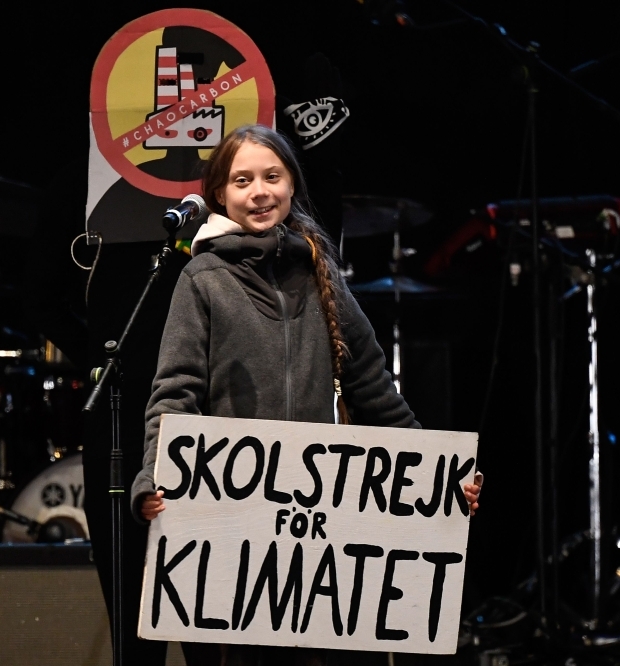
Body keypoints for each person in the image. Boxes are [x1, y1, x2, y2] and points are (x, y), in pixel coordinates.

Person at [130, 124, 482, 664]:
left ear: (293, 183)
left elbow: (375, 391)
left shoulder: (322, 271)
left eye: (272, 176)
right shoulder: (201, 278)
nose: (259, 191)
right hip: (236, 531)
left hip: (321, 534)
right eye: (242, 180)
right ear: (220, 194)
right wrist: (154, 475)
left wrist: (440, 476)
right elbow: (174, 393)